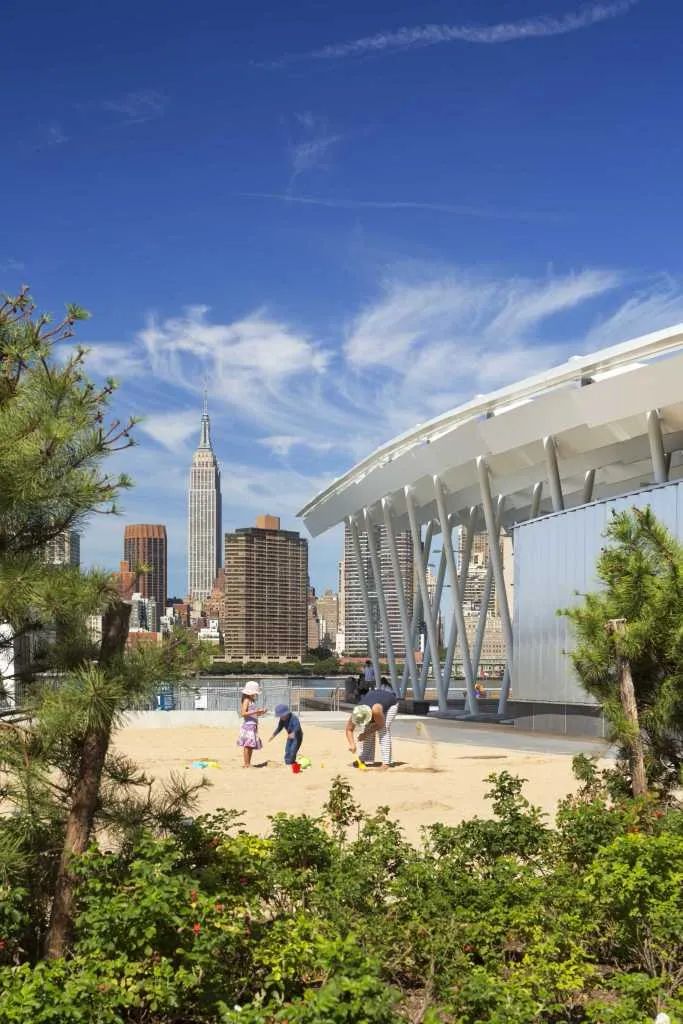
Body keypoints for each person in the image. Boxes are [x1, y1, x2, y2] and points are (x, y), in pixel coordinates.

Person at [358, 678, 399, 769]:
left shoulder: (375, 710)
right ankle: (364, 758)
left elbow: (380, 725)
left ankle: (387, 762)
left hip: (391, 705)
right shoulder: (358, 709)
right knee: (367, 727)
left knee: (383, 730)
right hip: (378, 702)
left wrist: (365, 734)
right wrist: (353, 744)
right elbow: (349, 729)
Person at [236, 681, 266, 767]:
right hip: (248, 726)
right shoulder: (246, 700)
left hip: (253, 726)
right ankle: (246, 764)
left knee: (251, 745)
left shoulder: (252, 701)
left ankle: (248, 763)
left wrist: (261, 712)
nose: (255, 694)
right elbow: (243, 713)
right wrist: (256, 711)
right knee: (247, 745)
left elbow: (252, 714)